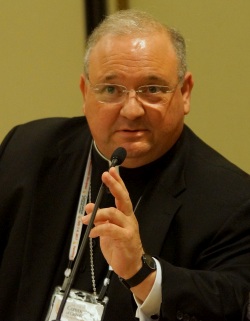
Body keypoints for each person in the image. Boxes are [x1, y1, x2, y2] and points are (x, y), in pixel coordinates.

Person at [0, 9, 250, 321]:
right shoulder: (27, 151)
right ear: (85, 92)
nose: (131, 110)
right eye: (111, 90)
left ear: (185, 93)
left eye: (152, 89)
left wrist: (142, 275)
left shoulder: (232, 200)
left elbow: (237, 303)